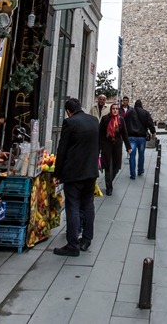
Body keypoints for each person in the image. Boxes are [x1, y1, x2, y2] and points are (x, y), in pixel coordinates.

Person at [53, 97, 99, 256]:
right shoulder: (94, 121)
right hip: (91, 172)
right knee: (88, 205)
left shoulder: (70, 123)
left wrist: (57, 173)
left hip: (74, 173)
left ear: (68, 111)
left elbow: (62, 149)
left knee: (72, 206)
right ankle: (86, 239)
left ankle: (72, 244)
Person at [98, 103, 131, 195]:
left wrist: (128, 147)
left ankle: (109, 180)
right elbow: (100, 134)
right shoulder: (105, 119)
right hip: (107, 144)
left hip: (117, 145)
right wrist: (99, 147)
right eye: (113, 109)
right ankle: (109, 187)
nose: (115, 110)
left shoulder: (121, 120)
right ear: (111, 110)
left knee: (116, 166)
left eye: (117, 109)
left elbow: (124, 134)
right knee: (108, 166)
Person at [124, 100, 156, 179]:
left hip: (131, 137)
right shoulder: (145, 113)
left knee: (132, 155)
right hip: (142, 137)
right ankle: (140, 170)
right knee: (141, 154)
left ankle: (132, 174)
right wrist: (153, 133)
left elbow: (125, 124)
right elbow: (150, 123)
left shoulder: (129, 113)